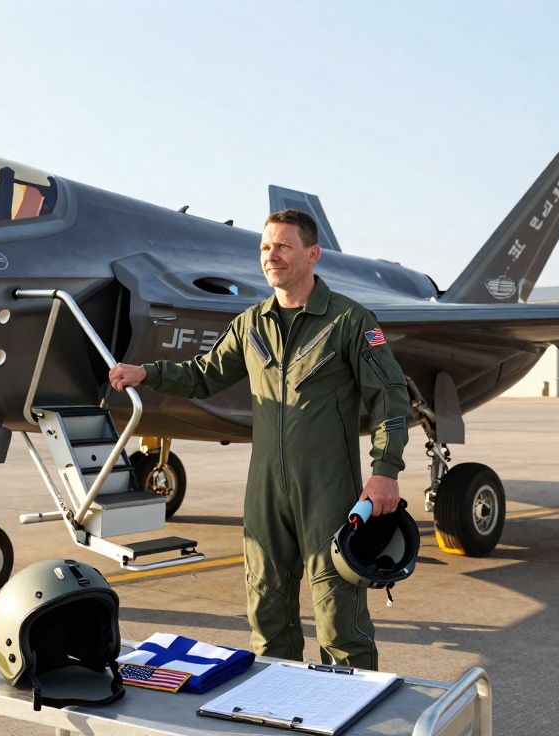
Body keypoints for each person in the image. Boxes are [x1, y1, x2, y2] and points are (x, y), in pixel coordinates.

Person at [108, 209, 411, 669]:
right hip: (266, 491)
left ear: (312, 254)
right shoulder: (251, 324)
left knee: (339, 622)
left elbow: (390, 397)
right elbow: (204, 375)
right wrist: (146, 372)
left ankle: (349, 714)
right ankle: (277, 709)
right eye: (266, 248)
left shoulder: (350, 321)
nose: (272, 256)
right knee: (268, 618)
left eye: (284, 246)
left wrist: (385, 473)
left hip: (327, 491)